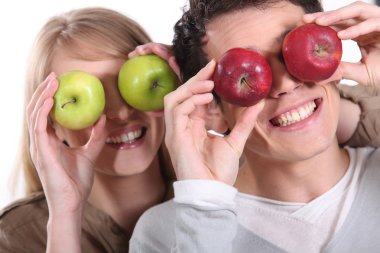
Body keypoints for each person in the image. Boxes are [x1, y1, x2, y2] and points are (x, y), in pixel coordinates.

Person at [129, 1, 380, 252]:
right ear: (211, 108)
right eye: (246, 73)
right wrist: (205, 204)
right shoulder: (165, 233)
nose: (285, 84)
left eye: (292, 52)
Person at [0, 7, 183, 253]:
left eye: (127, 84)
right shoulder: (15, 237)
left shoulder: (223, 198)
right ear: (50, 122)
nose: (121, 113)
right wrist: (65, 215)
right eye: (94, 96)